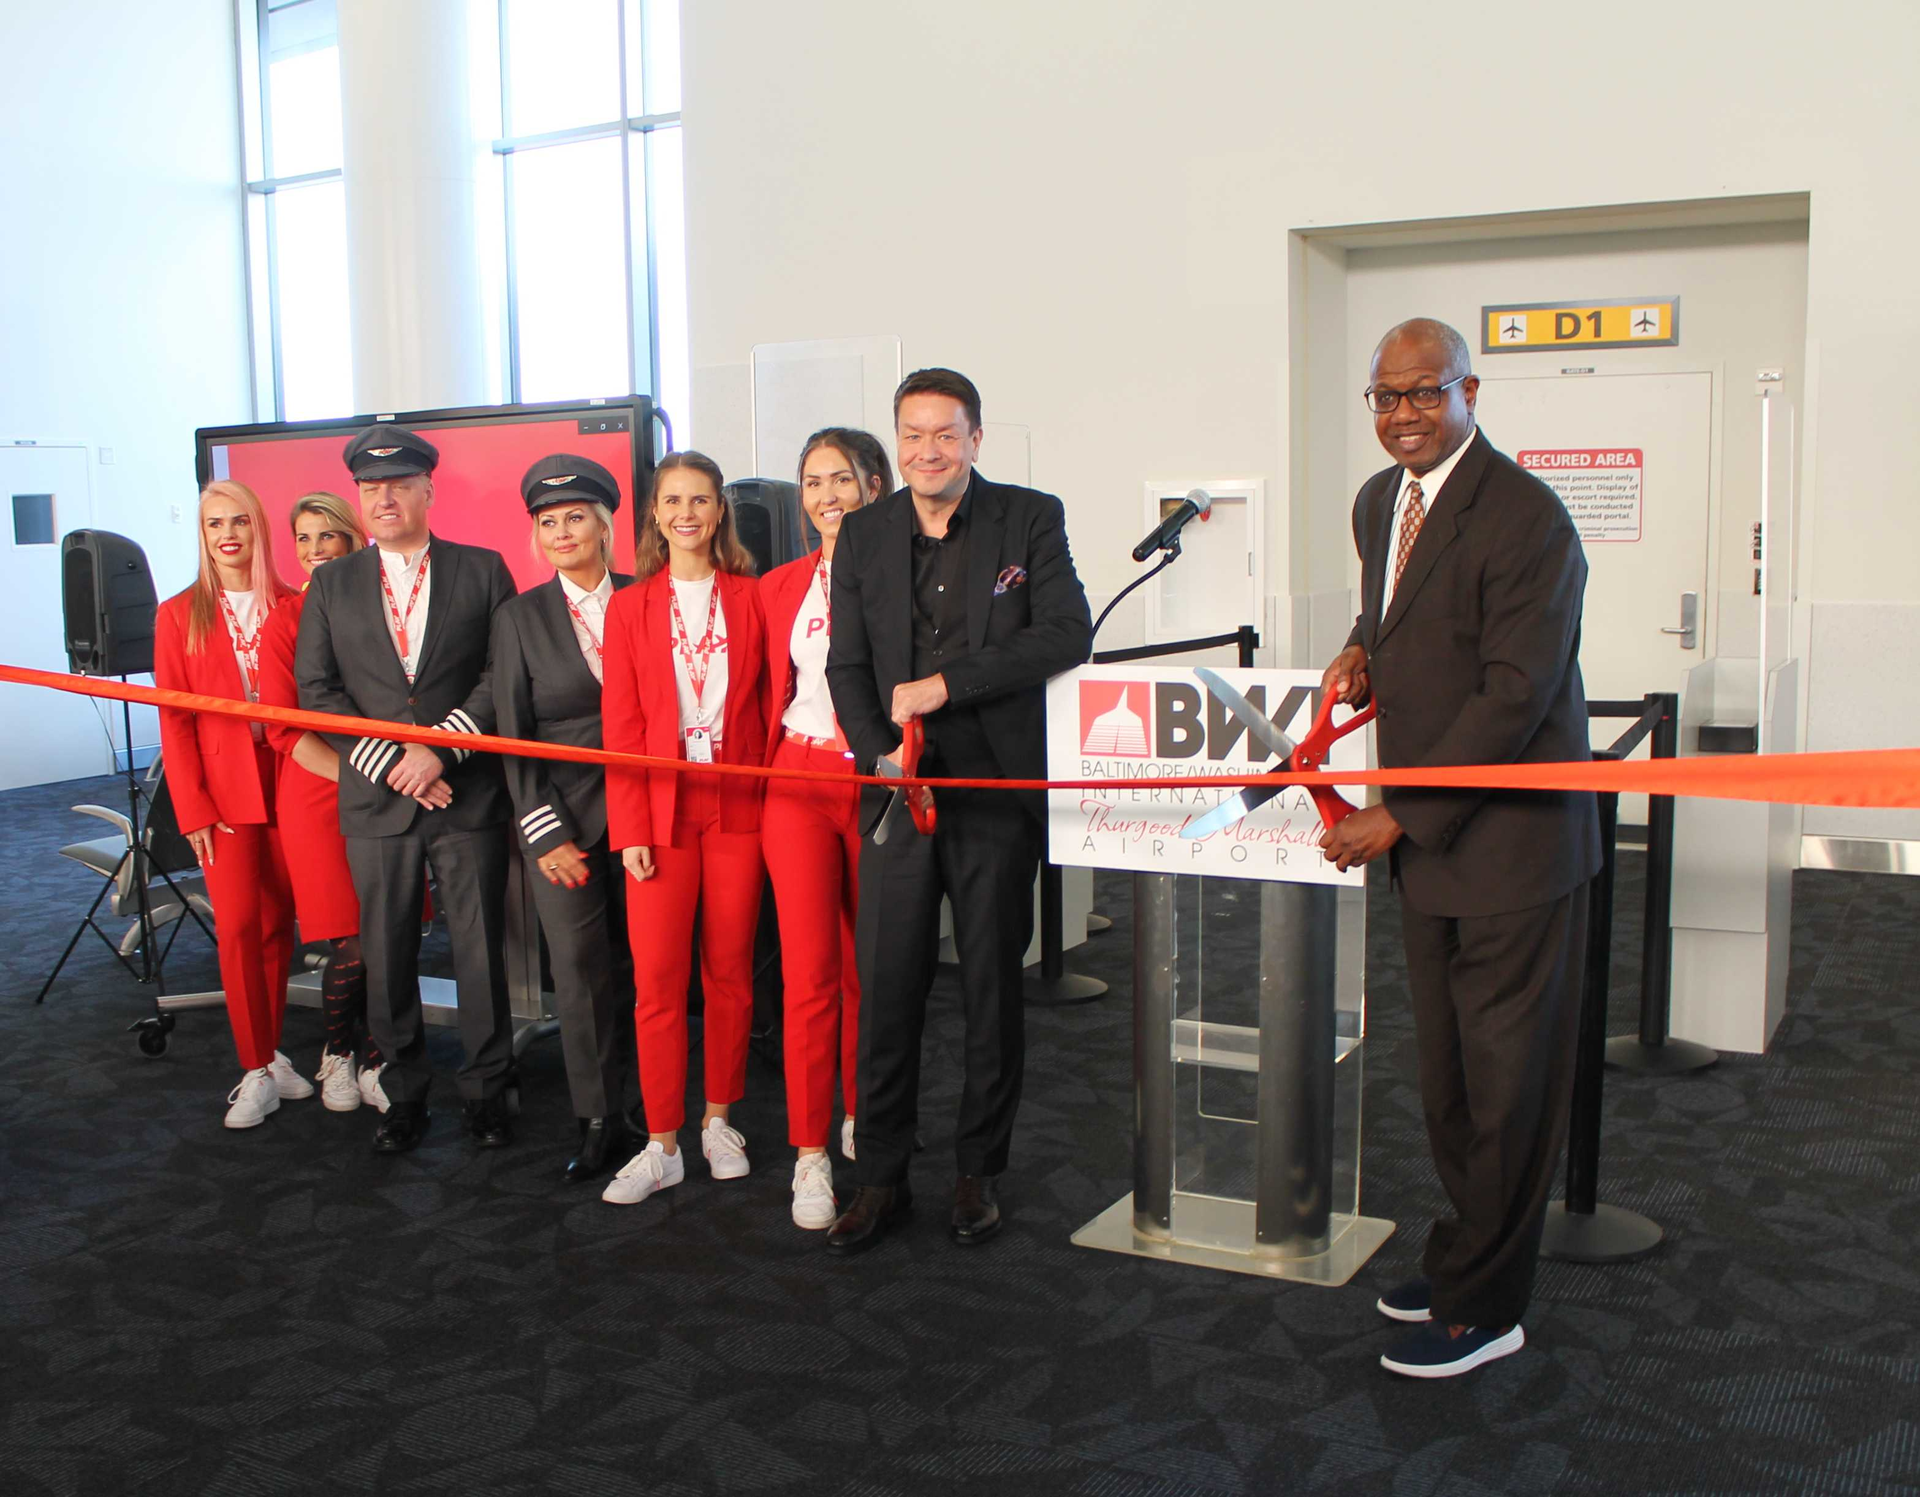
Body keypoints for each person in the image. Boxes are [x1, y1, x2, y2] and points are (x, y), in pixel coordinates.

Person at [1319, 317, 1600, 1379]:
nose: (1403, 415)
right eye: (1386, 397)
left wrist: (1400, 812)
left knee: (1508, 1084)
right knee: (1445, 1079)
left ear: (1468, 391)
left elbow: (1516, 695)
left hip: (1513, 851)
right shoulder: (1377, 500)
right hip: (1431, 853)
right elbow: (1394, 610)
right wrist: (1359, 648)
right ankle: (1462, 1254)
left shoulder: (1528, 518)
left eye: (1424, 393)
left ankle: (1492, 1304)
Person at [823, 368, 1092, 1254]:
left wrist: (947, 684)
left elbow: (1065, 632)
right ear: (894, 440)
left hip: (994, 792)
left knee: (989, 989)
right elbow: (847, 667)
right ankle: (881, 1177)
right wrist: (879, 750)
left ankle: (979, 1171)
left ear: (976, 438)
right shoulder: (863, 533)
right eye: (912, 434)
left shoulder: (1028, 516)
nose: (927, 451)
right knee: (889, 990)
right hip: (901, 793)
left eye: (946, 433)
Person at [294, 423, 519, 1155]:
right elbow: (316, 691)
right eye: (369, 487)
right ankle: (405, 1091)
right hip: (377, 794)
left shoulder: (483, 570)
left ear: (428, 488)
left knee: (481, 948)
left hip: (465, 793)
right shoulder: (331, 583)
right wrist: (396, 758)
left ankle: (487, 1091)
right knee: (386, 951)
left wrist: (441, 751)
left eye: (397, 484)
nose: (383, 497)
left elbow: (502, 678)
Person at [598, 451, 771, 1208]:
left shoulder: (753, 597)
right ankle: (662, 1138)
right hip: (660, 810)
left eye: (701, 499)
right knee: (658, 980)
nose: (688, 512)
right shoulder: (630, 605)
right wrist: (629, 821)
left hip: (736, 805)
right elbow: (623, 722)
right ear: (656, 514)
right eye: (674, 500)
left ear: (720, 510)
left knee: (730, 971)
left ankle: (718, 1118)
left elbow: (769, 704)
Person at [760, 427, 893, 1229]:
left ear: (875, 485)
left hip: (872, 777)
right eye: (812, 482)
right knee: (809, 971)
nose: (827, 495)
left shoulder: (905, 575)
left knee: (869, 970)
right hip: (796, 778)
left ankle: (862, 1114)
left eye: (841, 478)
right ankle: (810, 1153)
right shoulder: (779, 585)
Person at [490, 454, 636, 1183]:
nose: (562, 531)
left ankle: (653, 1107)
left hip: (646, 816)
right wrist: (544, 834)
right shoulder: (518, 618)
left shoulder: (648, 597)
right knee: (579, 974)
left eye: (575, 516)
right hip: (565, 824)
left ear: (607, 523)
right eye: (548, 522)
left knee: (647, 969)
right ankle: (599, 1114)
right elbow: (515, 737)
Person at [153, 480, 309, 1127]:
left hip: (296, 778)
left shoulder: (297, 605)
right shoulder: (177, 614)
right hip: (224, 796)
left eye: (240, 519)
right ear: (202, 533)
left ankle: (276, 1055)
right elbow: (176, 725)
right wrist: (191, 809)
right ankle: (254, 1066)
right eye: (215, 522)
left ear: (259, 527)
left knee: (283, 925)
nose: (228, 533)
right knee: (242, 925)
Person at [255, 491, 387, 1114]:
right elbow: (288, 733)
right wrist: (372, 779)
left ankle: (378, 1055)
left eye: (326, 537)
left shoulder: (382, 605)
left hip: (390, 787)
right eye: (303, 540)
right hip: (320, 794)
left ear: (353, 540)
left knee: (386, 933)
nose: (313, 552)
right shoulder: (283, 621)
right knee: (350, 940)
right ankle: (340, 1052)